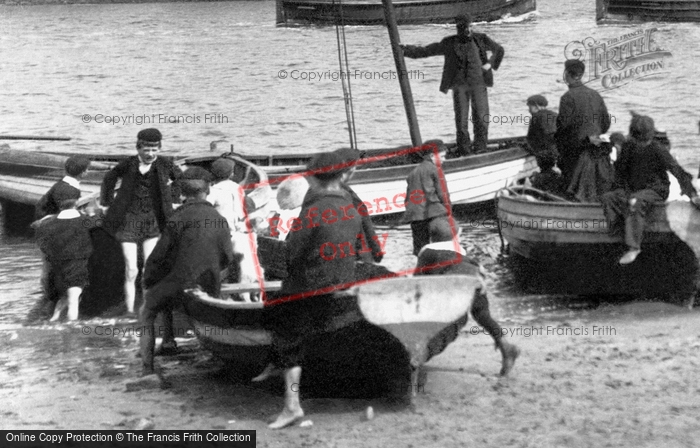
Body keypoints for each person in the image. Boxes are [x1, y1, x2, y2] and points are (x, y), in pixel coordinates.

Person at [265, 151, 363, 429]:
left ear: (312, 179)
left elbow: (291, 255)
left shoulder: (313, 211)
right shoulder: (350, 207)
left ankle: (292, 406)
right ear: (342, 176)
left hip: (310, 288)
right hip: (341, 285)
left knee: (287, 342)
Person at [140, 167, 234, 375]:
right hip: (208, 285)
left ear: (182, 195)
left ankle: (148, 367)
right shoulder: (219, 219)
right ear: (207, 192)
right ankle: (171, 339)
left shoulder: (177, 218)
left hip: (181, 284)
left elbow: (158, 257)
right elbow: (227, 257)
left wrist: (147, 281)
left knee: (147, 311)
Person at [415, 219, 520, 376]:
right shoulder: (460, 251)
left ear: (431, 237)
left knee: (446, 321)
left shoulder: (427, 251)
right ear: (457, 237)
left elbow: (418, 280)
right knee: (482, 314)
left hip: (455, 281)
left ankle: (418, 356)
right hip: (474, 278)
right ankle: (504, 345)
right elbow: (471, 265)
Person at [100, 128, 182, 315]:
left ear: (159, 149)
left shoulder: (165, 164)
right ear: (138, 149)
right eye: (146, 150)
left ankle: (146, 308)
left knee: (149, 268)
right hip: (129, 220)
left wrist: (175, 199)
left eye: (154, 150)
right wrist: (106, 204)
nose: (150, 154)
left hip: (153, 220)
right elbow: (109, 178)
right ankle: (129, 310)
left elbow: (180, 179)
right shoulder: (128, 164)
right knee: (131, 269)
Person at [601, 114, 699, 264]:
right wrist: (616, 190)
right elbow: (619, 172)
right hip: (633, 188)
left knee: (635, 201)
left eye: (645, 141)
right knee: (608, 198)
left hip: (655, 189)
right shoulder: (628, 147)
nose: (643, 144)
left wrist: (690, 193)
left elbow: (676, 170)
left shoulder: (657, 149)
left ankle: (634, 247)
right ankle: (616, 232)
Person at [401, 14, 504, 156]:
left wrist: (490, 64)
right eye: (462, 28)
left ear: (471, 26)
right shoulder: (449, 42)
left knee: (481, 117)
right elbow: (428, 50)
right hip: (459, 86)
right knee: (461, 121)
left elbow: (499, 50)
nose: (465, 30)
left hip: (478, 84)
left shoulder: (481, 39)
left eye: (467, 27)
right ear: (458, 28)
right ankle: (464, 150)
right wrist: (405, 50)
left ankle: (480, 147)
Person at [35, 192, 97, 322]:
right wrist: (91, 212)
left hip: (57, 267)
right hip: (77, 265)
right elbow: (100, 222)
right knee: (74, 300)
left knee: (64, 296)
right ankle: (71, 332)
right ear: (76, 205)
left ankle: (54, 318)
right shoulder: (84, 221)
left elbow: (42, 241)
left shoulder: (49, 223)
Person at [555, 59, 611, 187]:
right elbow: (606, 123)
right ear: (581, 75)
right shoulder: (596, 94)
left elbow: (562, 127)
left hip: (578, 152)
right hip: (597, 148)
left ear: (567, 75)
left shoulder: (567, 97)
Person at [403, 140, 452, 256]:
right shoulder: (436, 170)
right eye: (442, 156)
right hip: (433, 214)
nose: (444, 160)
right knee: (442, 247)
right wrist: (449, 211)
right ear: (431, 156)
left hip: (415, 217)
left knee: (420, 250)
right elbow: (443, 194)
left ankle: (421, 271)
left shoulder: (413, 173)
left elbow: (407, 199)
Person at [35, 155, 91, 220]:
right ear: (82, 172)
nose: (88, 171)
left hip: (44, 215)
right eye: (87, 169)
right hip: (49, 221)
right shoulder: (70, 190)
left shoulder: (62, 183)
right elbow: (67, 214)